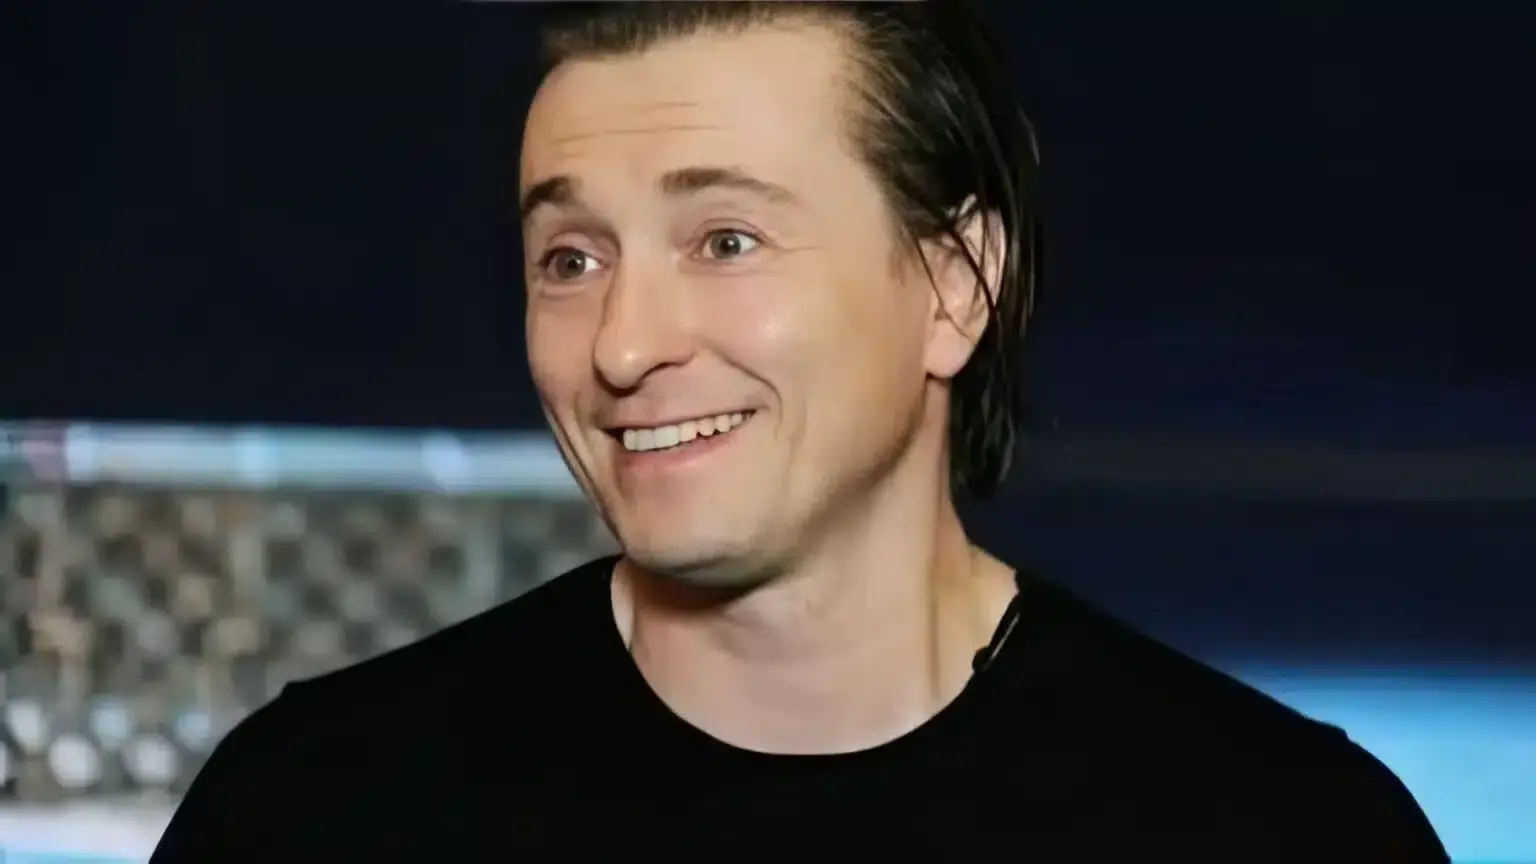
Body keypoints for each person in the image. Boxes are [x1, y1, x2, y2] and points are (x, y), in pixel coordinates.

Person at [152, 2, 1448, 859]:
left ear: (955, 285)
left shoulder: (1284, 832)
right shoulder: (315, 814)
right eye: (571, 258)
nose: (623, 345)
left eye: (725, 240)